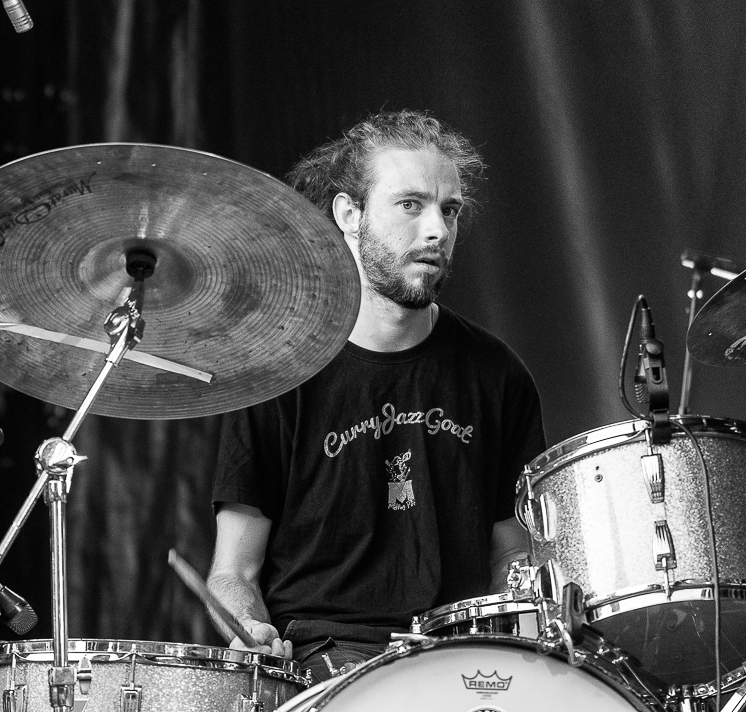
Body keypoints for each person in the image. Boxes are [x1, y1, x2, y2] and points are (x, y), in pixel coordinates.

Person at [206, 109, 545, 680]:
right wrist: (249, 626)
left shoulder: (497, 375)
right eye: (411, 204)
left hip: (461, 661)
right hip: (323, 662)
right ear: (349, 214)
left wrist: (523, 653)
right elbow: (232, 574)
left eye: (450, 209)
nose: (436, 229)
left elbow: (513, 555)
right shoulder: (281, 372)